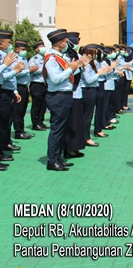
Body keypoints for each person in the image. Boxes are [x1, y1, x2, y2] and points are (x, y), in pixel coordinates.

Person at [43, 29, 90, 171]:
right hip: (58, 96)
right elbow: (55, 79)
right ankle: (52, 160)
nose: (66, 44)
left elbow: (68, 73)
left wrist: (79, 65)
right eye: (65, 42)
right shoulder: (51, 58)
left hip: (65, 96)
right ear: (59, 43)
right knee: (57, 130)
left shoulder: (61, 57)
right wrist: (71, 69)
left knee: (62, 130)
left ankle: (58, 158)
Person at [80, 45, 109, 149]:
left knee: (88, 116)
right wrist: (99, 74)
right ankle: (86, 138)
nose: (96, 56)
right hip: (87, 90)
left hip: (92, 90)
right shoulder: (86, 65)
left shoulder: (92, 64)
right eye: (94, 53)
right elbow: (88, 80)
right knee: (86, 117)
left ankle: (84, 137)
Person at [0, 30, 21, 172]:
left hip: (5, 90)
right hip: (2, 92)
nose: (10, 45)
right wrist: (7, 66)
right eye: (8, 42)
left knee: (3, 123)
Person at [12, 40, 34, 140]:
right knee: (17, 111)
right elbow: (15, 72)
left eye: (25, 49)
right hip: (18, 86)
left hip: (25, 87)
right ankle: (18, 132)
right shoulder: (14, 59)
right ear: (17, 49)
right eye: (22, 49)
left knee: (22, 111)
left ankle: (21, 129)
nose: (24, 51)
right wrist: (28, 70)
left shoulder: (24, 59)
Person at [29, 40, 48, 131]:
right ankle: (35, 123)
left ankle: (40, 122)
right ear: (36, 49)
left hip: (45, 84)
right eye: (41, 47)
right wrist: (44, 69)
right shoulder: (34, 59)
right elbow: (32, 70)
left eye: (43, 46)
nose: (43, 48)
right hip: (36, 84)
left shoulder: (46, 58)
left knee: (43, 105)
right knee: (36, 105)